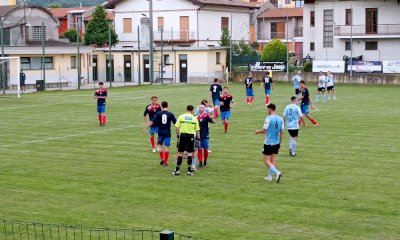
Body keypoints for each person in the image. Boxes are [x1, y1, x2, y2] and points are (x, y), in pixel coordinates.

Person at [255, 103, 284, 183]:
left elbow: (264, 130)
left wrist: (257, 131)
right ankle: (270, 176)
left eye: (268, 109)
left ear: (270, 109)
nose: (267, 110)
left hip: (268, 143)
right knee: (273, 159)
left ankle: (277, 172)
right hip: (276, 142)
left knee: (266, 160)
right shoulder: (280, 119)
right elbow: (282, 133)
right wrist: (280, 143)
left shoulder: (268, 118)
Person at [145, 101, 176, 166]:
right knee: (167, 147)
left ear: (161, 106)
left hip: (160, 132)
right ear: (167, 106)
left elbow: (152, 122)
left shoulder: (158, 113)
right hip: (167, 132)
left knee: (160, 146)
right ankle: (165, 161)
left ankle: (162, 158)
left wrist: (146, 128)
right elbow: (176, 123)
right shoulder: (170, 114)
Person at [173, 105, 200, 176]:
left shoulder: (181, 117)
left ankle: (177, 171)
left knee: (180, 153)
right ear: (192, 110)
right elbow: (197, 130)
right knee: (190, 154)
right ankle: (189, 172)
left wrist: (178, 136)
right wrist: (199, 139)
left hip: (182, 136)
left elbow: (176, 128)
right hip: (191, 137)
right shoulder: (194, 118)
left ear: (186, 109)